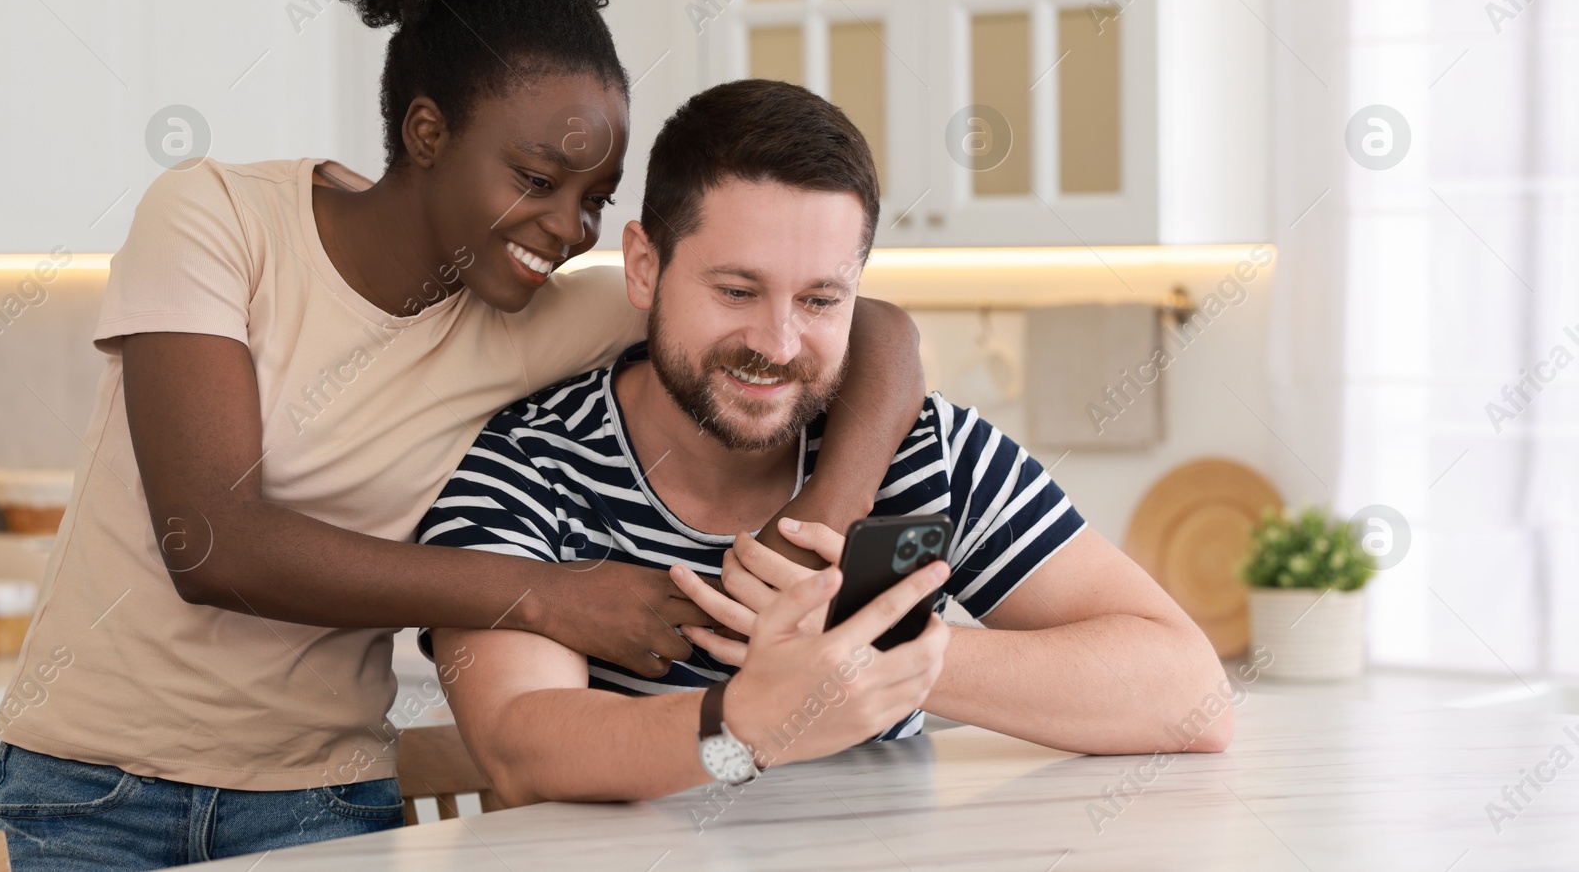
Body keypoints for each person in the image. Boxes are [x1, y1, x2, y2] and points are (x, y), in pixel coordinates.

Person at [0, 0, 923, 871]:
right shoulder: (217, 218)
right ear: (426, 130)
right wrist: (547, 592)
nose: (566, 227)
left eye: (594, 196)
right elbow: (210, 539)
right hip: (92, 790)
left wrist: (819, 522)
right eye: (534, 178)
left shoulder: (541, 314)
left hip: (324, 792)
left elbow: (879, 328)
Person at [418, 79, 1234, 809]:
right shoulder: (532, 465)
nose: (777, 343)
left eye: (819, 299)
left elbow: (1190, 690)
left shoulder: (926, 448)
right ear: (643, 266)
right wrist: (749, 721)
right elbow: (524, 743)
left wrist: (883, 652)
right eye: (737, 289)